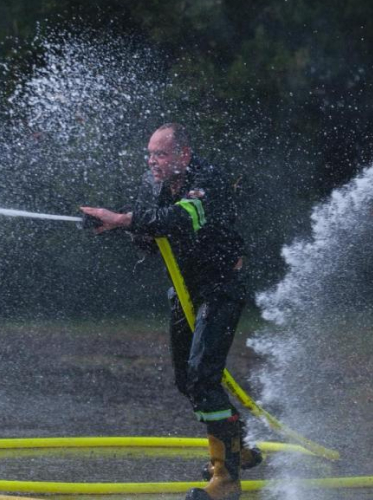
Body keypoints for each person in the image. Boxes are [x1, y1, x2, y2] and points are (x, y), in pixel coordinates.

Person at [81, 123, 259, 500]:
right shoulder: (152, 184)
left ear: (183, 155)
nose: (153, 161)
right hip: (183, 290)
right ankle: (236, 450)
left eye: (160, 154)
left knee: (203, 377)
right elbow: (149, 237)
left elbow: (179, 219)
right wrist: (110, 226)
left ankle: (226, 481)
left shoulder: (208, 179)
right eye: (150, 154)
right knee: (187, 380)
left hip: (220, 289)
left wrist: (122, 219)